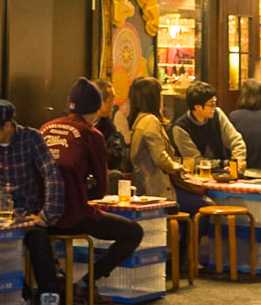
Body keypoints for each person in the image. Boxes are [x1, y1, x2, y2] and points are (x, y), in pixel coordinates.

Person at [40, 78, 142, 292]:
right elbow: (101, 189)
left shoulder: (46, 127)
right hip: (72, 216)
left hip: (40, 216)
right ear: (97, 107)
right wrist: (81, 189)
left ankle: (61, 277)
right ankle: (87, 281)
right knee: (133, 232)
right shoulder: (92, 134)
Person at [0, 97, 65, 305]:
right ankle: (21, 297)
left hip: (26, 214)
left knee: (38, 240)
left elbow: (51, 174)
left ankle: (49, 300)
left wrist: (48, 215)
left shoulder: (31, 138)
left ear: (7, 126)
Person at [125, 76, 208, 207]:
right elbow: (160, 158)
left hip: (145, 186)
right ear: (154, 98)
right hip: (156, 188)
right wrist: (179, 168)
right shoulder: (150, 121)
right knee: (204, 205)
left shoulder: (139, 120)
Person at [170, 81, 246, 169]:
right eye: (211, 104)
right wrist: (225, 163)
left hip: (223, 173)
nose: (214, 107)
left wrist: (237, 163)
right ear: (197, 107)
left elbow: (236, 142)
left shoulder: (217, 114)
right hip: (195, 176)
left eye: (215, 103)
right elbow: (196, 161)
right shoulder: (181, 128)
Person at [95, 75, 127, 175]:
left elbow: (117, 155)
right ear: (100, 102)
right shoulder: (76, 123)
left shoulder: (107, 125)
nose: (114, 104)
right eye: (111, 99)